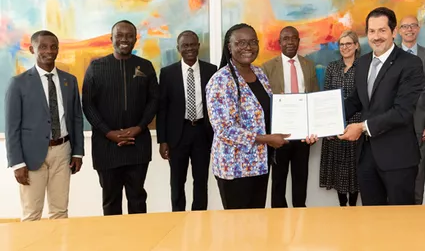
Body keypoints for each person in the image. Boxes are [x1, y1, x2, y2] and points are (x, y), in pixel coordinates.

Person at [206, 23, 314, 210]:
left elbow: (272, 113)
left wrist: (302, 130)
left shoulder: (260, 74)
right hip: (235, 167)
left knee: (257, 225)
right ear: (229, 47)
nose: (247, 47)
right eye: (240, 42)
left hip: (260, 164)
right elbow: (224, 129)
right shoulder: (221, 80)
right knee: (238, 228)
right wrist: (266, 139)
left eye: (252, 42)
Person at [339, 7, 425, 206]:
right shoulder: (362, 63)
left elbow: (402, 112)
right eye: (371, 31)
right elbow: (356, 100)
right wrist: (323, 121)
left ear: (394, 32)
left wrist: (361, 127)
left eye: (382, 30)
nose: (376, 37)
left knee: (401, 223)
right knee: (372, 222)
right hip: (366, 158)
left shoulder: (411, 64)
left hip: (398, 158)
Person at [5, 30, 84, 221]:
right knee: (32, 214)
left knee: (60, 212)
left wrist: (77, 152)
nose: (49, 51)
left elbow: (76, 118)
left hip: (62, 153)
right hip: (31, 158)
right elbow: (11, 127)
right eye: (43, 47)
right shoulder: (18, 83)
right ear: (32, 49)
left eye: (53, 46)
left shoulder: (69, 81)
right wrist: (17, 163)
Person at [82, 20, 158, 215]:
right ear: (111, 39)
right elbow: (88, 105)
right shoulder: (96, 67)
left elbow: (154, 101)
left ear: (135, 39)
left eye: (129, 36)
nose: (124, 39)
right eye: (120, 35)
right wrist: (109, 133)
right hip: (106, 147)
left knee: (138, 199)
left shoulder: (146, 66)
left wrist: (140, 127)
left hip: (138, 145)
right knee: (110, 201)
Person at [157, 30, 217, 211]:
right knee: (177, 181)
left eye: (192, 45)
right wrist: (162, 140)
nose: (189, 49)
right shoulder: (167, 73)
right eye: (185, 46)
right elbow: (162, 109)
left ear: (198, 46)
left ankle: (199, 217)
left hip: (202, 133)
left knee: (201, 181)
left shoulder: (211, 70)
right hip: (177, 134)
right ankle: (178, 217)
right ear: (178, 48)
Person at [262, 26, 320, 208]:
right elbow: (263, 103)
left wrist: (314, 128)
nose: (290, 42)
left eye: (293, 38)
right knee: (278, 180)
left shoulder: (308, 65)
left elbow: (314, 97)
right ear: (280, 43)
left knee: (301, 178)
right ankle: (278, 220)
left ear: (298, 41)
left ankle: (300, 216)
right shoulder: (268, 67)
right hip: (280, 135)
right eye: (285, 39)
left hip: (303, 135)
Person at [398, 15, 425, 205]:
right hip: (395, 122)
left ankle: (416, 208)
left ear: (418, 28)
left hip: (420, 122)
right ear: (398, 31)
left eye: (413, 26)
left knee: (418, 169)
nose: (409, 30)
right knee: (396, 168)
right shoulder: (391, 54)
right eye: (405, 26)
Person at [319, 30, 362, 206]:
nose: (345, 48)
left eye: (348, 44)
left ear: (356, 46)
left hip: (356, 125)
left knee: (355, 170)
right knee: (338, 170)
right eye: (342, 44)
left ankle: (353, 207)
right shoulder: (332, 67)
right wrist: (327, 127)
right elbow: (327, 96)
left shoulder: (364, 66)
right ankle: (342, 207)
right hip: (335, 125)